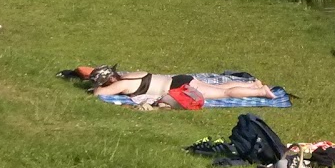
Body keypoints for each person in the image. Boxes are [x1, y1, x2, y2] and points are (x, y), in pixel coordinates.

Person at [90, 69, 275, 101]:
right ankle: (252, 84)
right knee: (220, 88)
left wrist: (95, 88)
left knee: (224, 94)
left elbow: (99, 93)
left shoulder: (120, 85)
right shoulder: (130, 75)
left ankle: (260, 92)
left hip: (179, 88)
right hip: (179, 79)